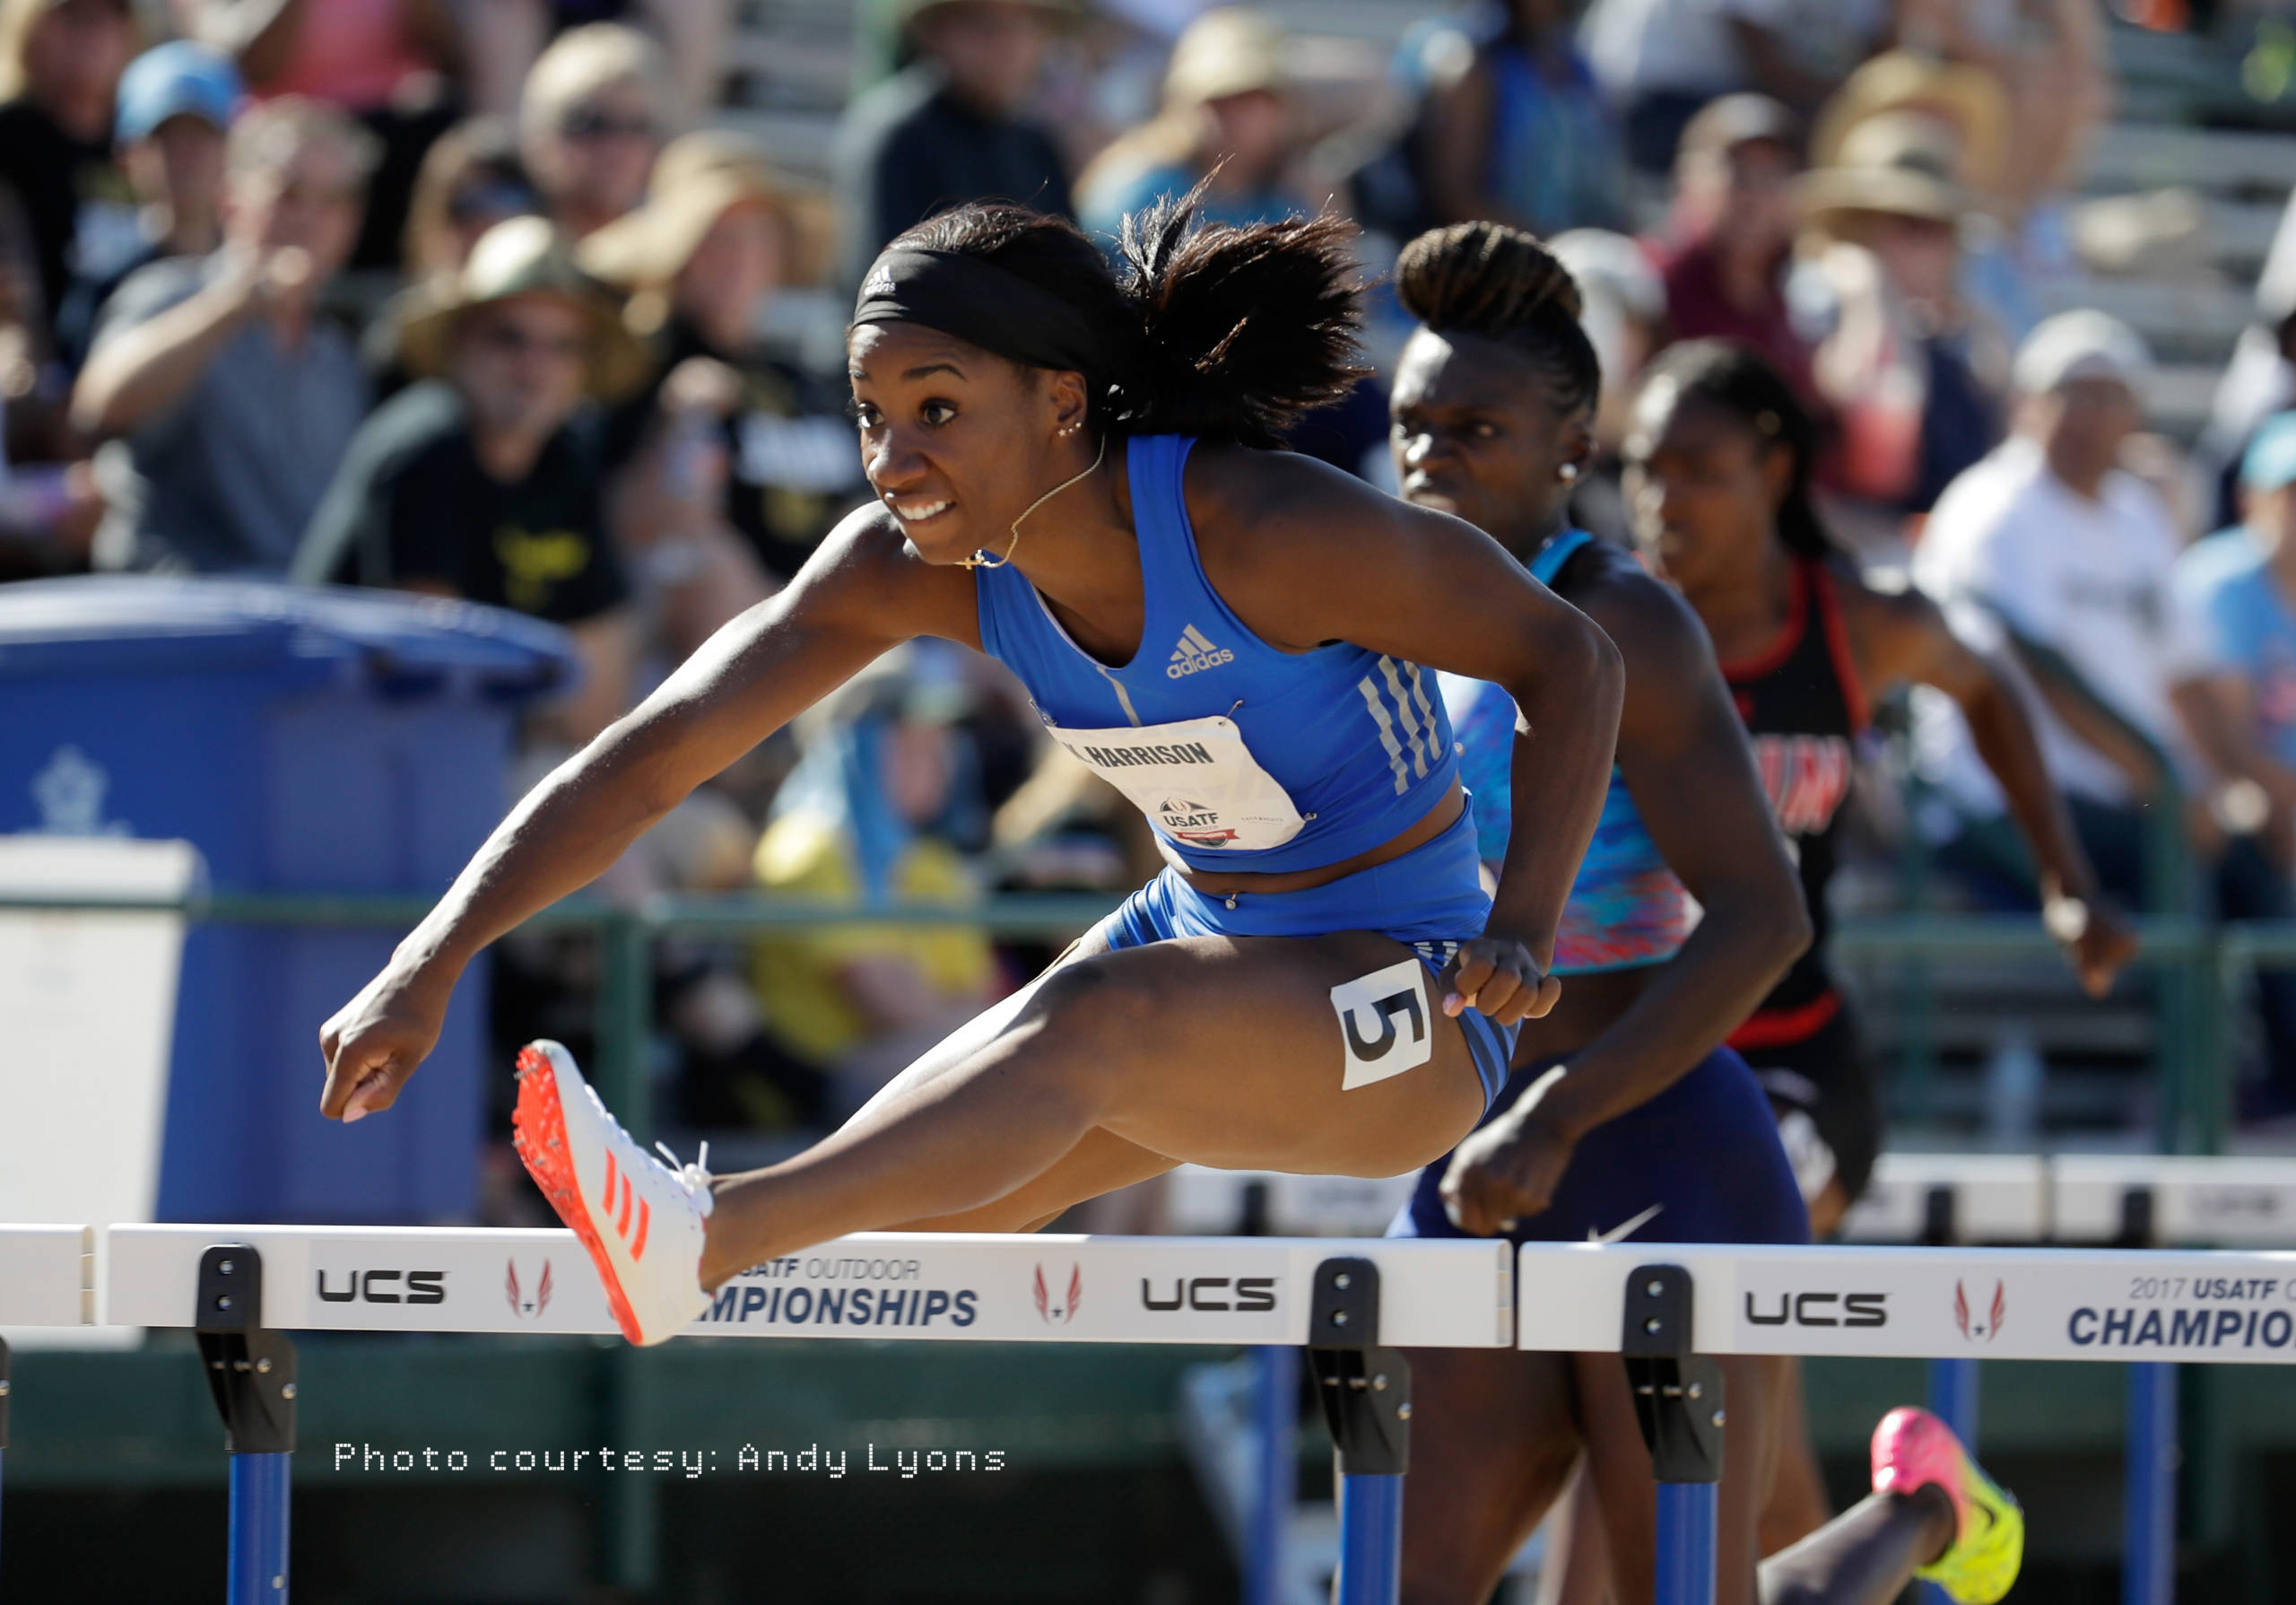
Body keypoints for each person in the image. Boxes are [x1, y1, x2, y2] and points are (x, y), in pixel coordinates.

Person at [313, 190, 1628, 1350]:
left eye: (937, 409)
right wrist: (427, 962)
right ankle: (719, 1278)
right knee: (970, 1195)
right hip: (1209, 927)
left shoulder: (1264, 525)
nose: (894, 461)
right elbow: (651, 760)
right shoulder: (900, 570)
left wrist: (1526, 923)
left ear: (1064, 403)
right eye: (872, 417)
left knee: (1087, 1019)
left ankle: (699, 1236)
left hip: (1407, 981)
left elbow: (1574, 665)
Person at [1379, 217, 2019, 1605]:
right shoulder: (1371, 630)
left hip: (1662, 1152)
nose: (1429, 455)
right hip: (1465, 1159)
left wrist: (1561, 1111)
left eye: (1474, 428)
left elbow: (1763, 918)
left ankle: (1921, 1511)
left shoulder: (1632, 627)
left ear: (1570, 456)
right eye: (1411, 423)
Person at [1621, 337, 2131, 1563]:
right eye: (1645, 467)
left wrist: (2068, 879)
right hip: (1638, 1064)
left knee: (1702, 1300)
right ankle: (1905, 1516)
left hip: (1792, 1063)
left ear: (1775, 470)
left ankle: (1914, 1512)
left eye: (1699, 467)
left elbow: (1992, 689)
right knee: (1729, 1411)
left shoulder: (1847, 621)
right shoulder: (1610, 623)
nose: (1664, 496)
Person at [294, 215, 644, 745]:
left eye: (562, 346)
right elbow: (435, 667)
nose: (535, 368)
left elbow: (600, 678)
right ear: (459, 345)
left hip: (488, 749)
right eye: (509, 339)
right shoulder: (424, 446)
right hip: (354, 744)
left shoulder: (567, 461)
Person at [74, 95, 374, 575]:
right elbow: (100, 403)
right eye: (289, 194)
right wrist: (235, 304)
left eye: (333, 202)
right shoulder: (170, 295)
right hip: (180, 622)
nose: (312, 220)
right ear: (231, 200)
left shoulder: (339, 360)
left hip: (300, 625)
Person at [579, 128, 854, 603]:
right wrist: (678, 424)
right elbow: (621, 528)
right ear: (677, 253)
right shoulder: (635, 369)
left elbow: (852, 506)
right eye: (717, 237)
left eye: (755, 236)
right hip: (702, 638)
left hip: (827, 629)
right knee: (706, 562)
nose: (739, 257)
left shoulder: (800, 380)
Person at [750, 661, 997, 1118]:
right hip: (821, 1090)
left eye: (938, 744)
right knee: (1006, 1061)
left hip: (924, 1066)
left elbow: (981, 997)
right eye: (908, 744)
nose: (937, 759)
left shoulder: (934, 864)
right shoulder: (806, 850)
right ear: (853, 750)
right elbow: (890, 1006)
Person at [1797, 112, 2009, 554]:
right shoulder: (1821, 301)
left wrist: (1973, 317)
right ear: (1864, 229)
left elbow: (2006, 438)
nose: (1936, 248)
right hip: (1854, 543)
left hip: (1941, 546)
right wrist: (1871, 301)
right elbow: (1869, 416)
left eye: (1943, 231)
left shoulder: (1955, 335)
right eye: (1911, 227)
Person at [832, 0, 1075, 293]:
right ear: (936, 32)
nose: (1009, 44)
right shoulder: (896, 137)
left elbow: (1071, 272)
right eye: (985, 25)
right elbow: (890, 287)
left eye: (1027, 25)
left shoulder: (1035, 144)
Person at [56, 41, 240, 371]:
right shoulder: (102, 278)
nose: (185, 155)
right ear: (125, 158)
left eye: (202, 135)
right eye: (164, 137)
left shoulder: (254, 272)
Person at [1578, 0, 1889, 175]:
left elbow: (1881, 53)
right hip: (1651, 93)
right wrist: (1857, 100)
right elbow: (1768, 68)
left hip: (1722, 88)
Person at [1076, 9, 1307, 242]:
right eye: (1218, 100)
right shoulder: (1140, 196)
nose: (1233, 116)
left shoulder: (1285, 197)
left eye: (1249, 99)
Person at [1646, 93, 1813, 406]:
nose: (1754, 198)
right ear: (1686, 178)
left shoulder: (1805, 302)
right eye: (1738, 173)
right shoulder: (1643, 283)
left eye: (1773, 177)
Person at [1413, 0, 1624, 238]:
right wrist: (1536, 250)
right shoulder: (1478, 70)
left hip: (1583, 251)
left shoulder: (1580, 70)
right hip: (1507, 259)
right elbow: (1455, 194)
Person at [0, 0, 141, 333]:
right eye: (73, 16)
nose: (90, 33)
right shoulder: (8, 136)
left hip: (127, 341)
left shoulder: (146, 138)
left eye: (107, 17)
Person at [518, 23, 675, 242]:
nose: (617, 148)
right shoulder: (505, 244)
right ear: (543, 135)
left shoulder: (666, 261)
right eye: (594, 125)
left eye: (636, 127)